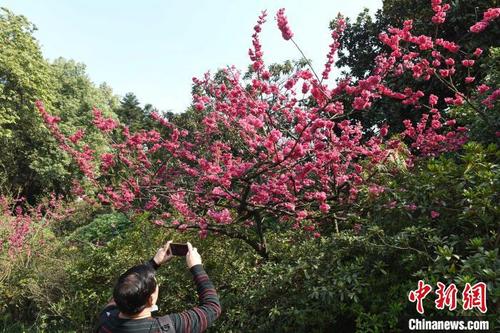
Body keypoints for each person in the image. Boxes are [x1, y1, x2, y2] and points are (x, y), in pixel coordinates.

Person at [97, 241, 221, 333]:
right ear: (151, 300)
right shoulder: (169, 327)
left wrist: (154, 263)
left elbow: (126, 289)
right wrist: (197, 267)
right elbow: (212, 307)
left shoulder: (106, 320)